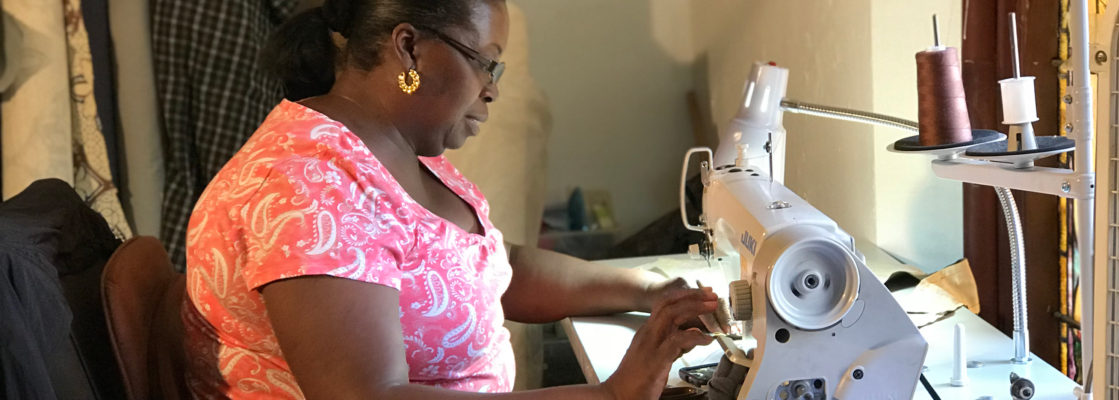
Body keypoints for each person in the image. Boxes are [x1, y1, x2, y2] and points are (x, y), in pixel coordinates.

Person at [182, 0, 723, 398]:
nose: (493, 89)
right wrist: (609, 394)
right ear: (410, 48)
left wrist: (649, 289)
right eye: (486, 62)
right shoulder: (310, 188)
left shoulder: (397, 150)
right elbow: (370, 397)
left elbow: (493, 264)